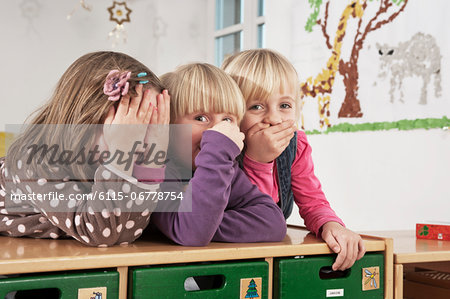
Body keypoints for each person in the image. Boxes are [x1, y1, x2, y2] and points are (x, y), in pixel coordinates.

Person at [0, 51, 170, 247]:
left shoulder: (112, 164)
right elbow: (101, 233)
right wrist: (120, 153)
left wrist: (152, 159)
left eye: (152, 126)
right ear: (84, 121)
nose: (138, 141)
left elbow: (127, 232)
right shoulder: (33, 160)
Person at [222, 49, 365, 270]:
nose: (274, 118)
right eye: (256, 107)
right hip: (224, 252)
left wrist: (331, 225)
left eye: (284, 106)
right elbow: (249, 213)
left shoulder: (295, 146)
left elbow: (313, 202)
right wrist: (258, 161)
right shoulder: (223, 147)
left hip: (272, 253)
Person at [132, 63, 287, 246]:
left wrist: (207, 223)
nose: (217, 131)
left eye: (227, 120)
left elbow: (274, 223)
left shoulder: (223, 165)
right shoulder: (155, 169)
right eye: (201, 118)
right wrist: (200, 223)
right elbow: (192, 233)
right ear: (167, 125)